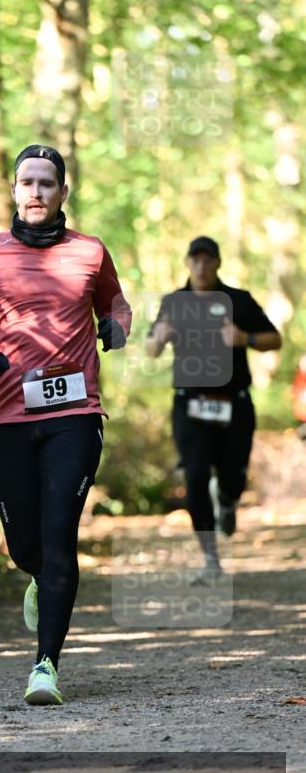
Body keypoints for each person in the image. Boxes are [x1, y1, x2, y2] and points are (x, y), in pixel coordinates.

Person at [0, 144, 132, 705]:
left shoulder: (90, 252)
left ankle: (45, 664)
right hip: (5, 417)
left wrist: (115, 327)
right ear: (15, 191)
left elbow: (116, 303)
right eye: (28, 183)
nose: (38, 192)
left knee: (58, 534)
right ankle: (36, 576)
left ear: (64, 192)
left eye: (48, 183)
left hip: (76, 412)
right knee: (26, 544)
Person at [146, 235, 282, 581]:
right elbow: (150, 348)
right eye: (196, 260)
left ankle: (227, 498)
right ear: (187, 263)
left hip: (234, 404)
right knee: (194, 476)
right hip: (189, 405)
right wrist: (158, 337)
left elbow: (273, 339)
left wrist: (244, 338)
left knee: (233, 476)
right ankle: (210, 559)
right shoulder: (174, 303)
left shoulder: (237, 300)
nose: (202, 266)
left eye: (208, 260)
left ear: (218, 263)